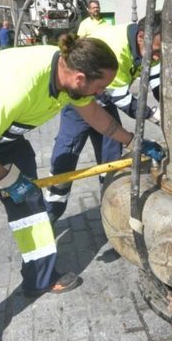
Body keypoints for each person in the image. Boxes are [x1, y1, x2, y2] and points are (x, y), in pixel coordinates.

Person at [0, 34, 164, 341]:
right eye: (99, 88)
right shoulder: (22, 84)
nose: (101, 94)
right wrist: (7, 179)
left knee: (31, 211)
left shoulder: (71, 77)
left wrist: (133, 142)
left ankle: (39, 278)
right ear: (80, 79)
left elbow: (95, 115)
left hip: (5, 134)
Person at [44, 13, 163, 224]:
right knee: (66, 154)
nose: (156, 57)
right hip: (80, 100)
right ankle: (51, 213)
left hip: (105, 102)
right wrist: (154, 116)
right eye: (154, 51)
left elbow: (155, 79)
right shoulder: (116, 48)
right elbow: (120, 97)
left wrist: (166, 107)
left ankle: (109, 211)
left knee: (111, 159)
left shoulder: (153, 46)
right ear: (142, 37)